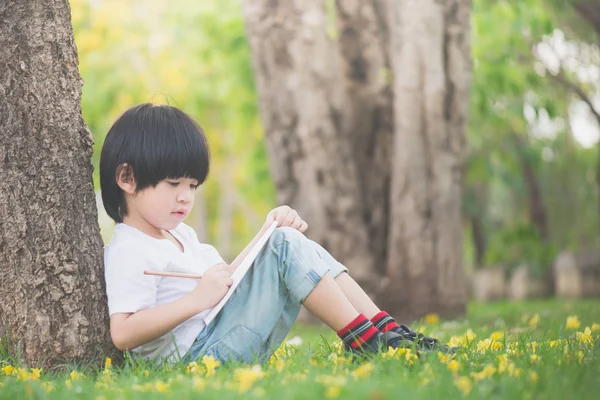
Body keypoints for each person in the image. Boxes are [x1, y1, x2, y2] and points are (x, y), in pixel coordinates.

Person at [100, 103, 447, 365]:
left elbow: (231, 284)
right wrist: (195, 300)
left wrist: (266, 233)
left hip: (220, 335)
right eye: (173, 184)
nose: (185, 196)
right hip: (199, 356)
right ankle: (366, 342)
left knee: (285, 239)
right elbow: (123, 333)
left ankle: (386, 330)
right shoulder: (129, 248)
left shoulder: (181, 235)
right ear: (127, 178)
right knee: (284, 244)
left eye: (192, 185)